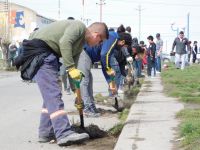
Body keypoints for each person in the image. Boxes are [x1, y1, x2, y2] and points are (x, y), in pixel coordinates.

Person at [15, 20, 109, 146]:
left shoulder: (80, 44)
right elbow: (64, 42)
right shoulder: (79, 27)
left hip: (47, 55)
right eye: (101, 41)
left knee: (50, 95)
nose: (99, 44)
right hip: (40, 53)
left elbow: (73, 71)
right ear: (96, 35)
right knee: (53, 95)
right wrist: (71, 68)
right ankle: (63, 133)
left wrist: (77, 94)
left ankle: (46, 132)